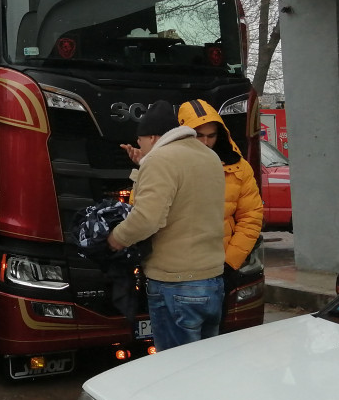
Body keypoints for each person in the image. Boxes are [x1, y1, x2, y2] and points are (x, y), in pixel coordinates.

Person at [107, 100, 226, 351]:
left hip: (176, 284)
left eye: (140, 141)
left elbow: (147, 218)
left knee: (175, 374)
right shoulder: (209, 156)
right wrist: (145, 165)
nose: (139, 146)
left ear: (151, 136)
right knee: (205, 367)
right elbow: (185, 194)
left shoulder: (161, 160)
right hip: (212, 281)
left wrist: (116, 239)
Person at [177, 99, 264, 278]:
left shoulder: (239, 167)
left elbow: (251, 217)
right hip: (178, 268)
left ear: (220, 135)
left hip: (220, 267)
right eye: (199, 135)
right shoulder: (168, 165)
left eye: (211, 135)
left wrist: (230, 262)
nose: (206, 142)